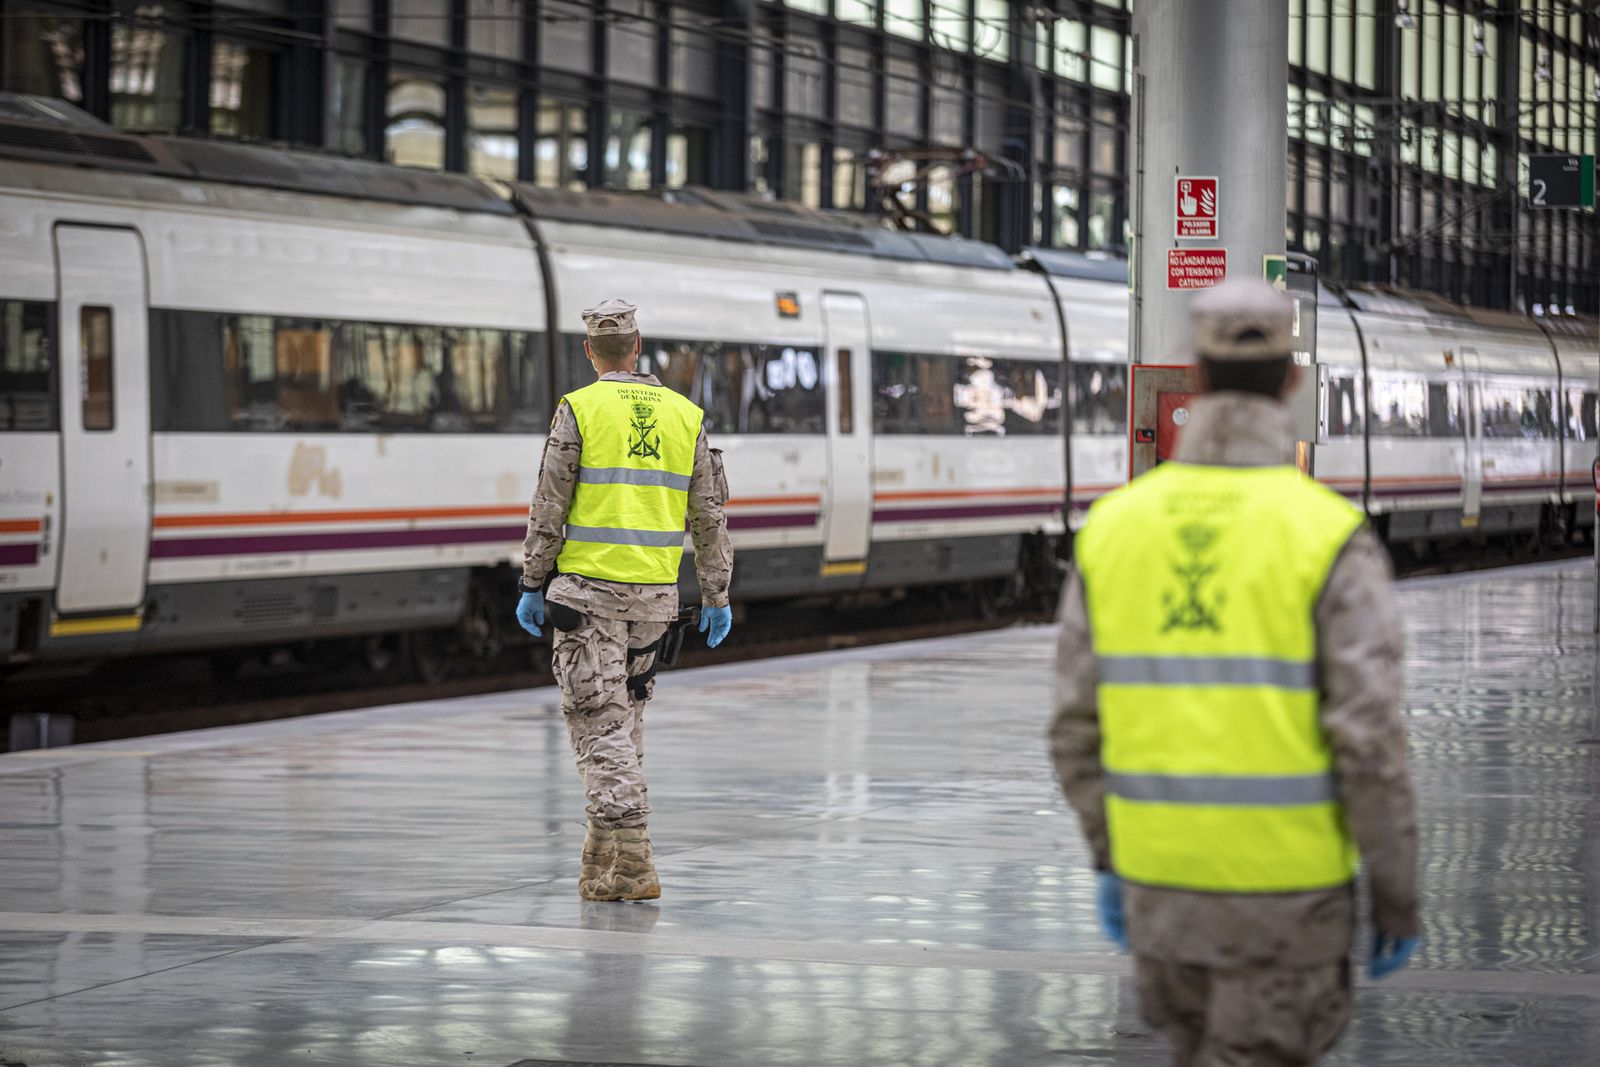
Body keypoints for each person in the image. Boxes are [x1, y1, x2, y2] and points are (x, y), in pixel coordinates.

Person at [1049, 279, 1420, 1066]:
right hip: (1289, 902)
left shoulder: (1114, 530)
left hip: (1160, 897)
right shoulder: (1329, 537)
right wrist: (1395, 891)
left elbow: (1075, 729)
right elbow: (1370, 741)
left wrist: (1111, 857)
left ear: (1197, 373)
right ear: (1293, 379)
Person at [516, 298, 734, 902]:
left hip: (587, 598)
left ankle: (634, 861)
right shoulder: (685, 416)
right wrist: (716, 593)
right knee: (623, 726)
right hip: (654, 605)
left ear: (592, 352)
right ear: (639, 348)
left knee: (597, 727)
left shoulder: (579, 409)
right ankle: (601, 864)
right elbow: (710, 518)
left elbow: (548, 506)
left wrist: (531, 582)